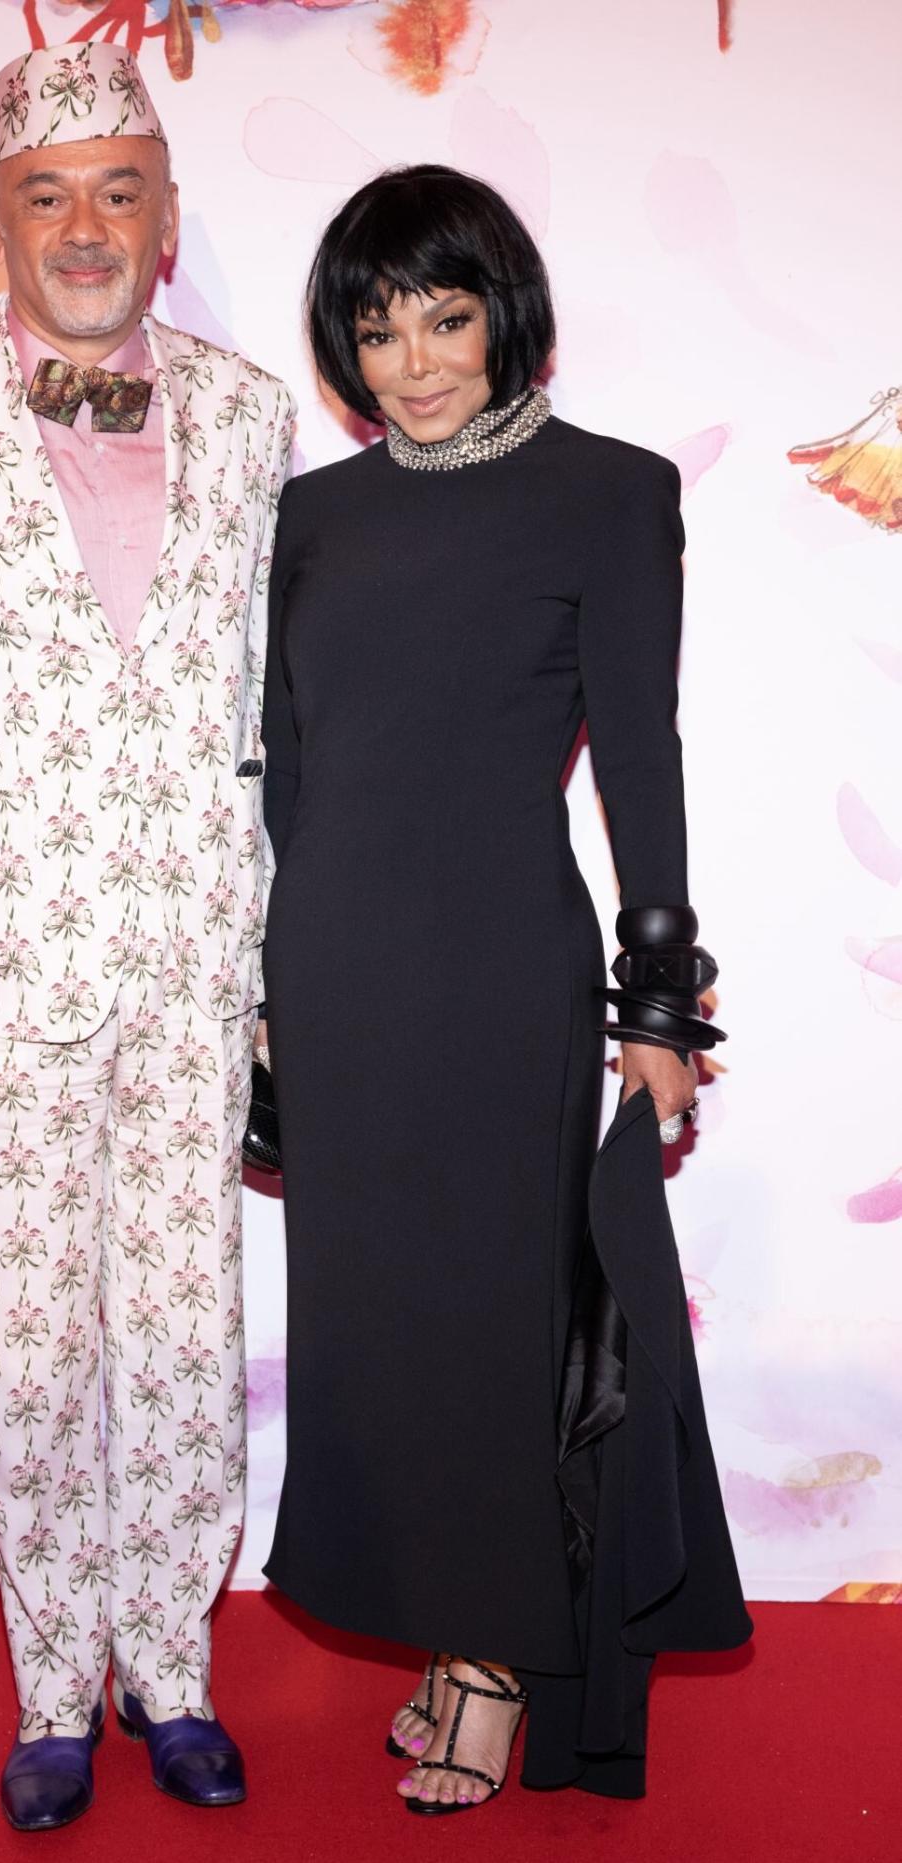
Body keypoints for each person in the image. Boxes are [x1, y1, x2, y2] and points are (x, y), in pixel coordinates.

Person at [0, 43, 294, 1833]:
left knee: (180, 1327)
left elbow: (279, 704)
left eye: (118, 190)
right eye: (46, 193)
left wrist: (282, 961)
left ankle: (170, 1666)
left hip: (194, 963)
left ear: (166, 224)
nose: (83, 227)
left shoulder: (251, 417)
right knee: (28, 1343)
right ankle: (48, 1685)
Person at [257, 164, 750, 1814]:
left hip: (496, 978)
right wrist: (261, 991)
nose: (410, 359)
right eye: (375, 324)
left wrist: (660, 1005)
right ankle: (438, 1630)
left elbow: (645, 759)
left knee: (496, 1331)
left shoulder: (606, 494)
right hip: (331, 980)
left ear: (505, 312)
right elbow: (288, 782)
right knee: (376, 1336)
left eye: (443, 316)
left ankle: (485, 1663)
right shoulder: (308, 519)